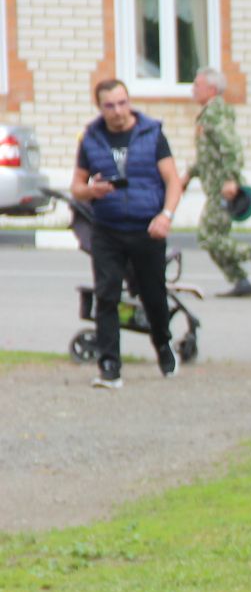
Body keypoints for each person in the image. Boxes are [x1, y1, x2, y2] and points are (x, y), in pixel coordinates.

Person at [69, 78, 186, 390]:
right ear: (100, 108)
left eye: (122, 103)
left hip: (147, 227)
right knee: (106, 294)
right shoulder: (92, 138)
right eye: (110, 105)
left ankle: (163, 344)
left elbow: (173, 181)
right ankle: (109, 366)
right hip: (107, 229)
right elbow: (76, 187)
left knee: (153, 295)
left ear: (129, 102)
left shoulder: (152, 133)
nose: (118, 111)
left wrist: (166, 215)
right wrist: (91, 190)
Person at [183, 68, 251, 298]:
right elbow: (207, 155)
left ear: (211, 89)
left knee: (208, 236)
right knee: (213, 236)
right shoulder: (209, 113)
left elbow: (232, 147)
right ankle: (240, 280)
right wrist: (187, 176)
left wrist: (231, 179)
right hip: (215, 187)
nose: (193, 89)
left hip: (224, 189)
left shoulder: (214, 115)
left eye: (197, 85)